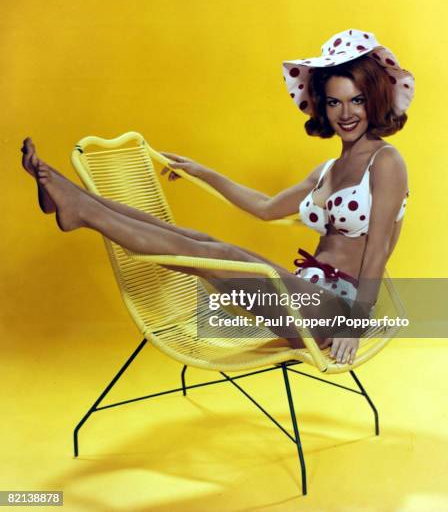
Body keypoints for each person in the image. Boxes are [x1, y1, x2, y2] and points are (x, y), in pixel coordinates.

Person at [21, 28, 414, 365]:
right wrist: (201, 171)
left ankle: (81, 210)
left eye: (356, 100)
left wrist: (355, 325)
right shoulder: (326, 171)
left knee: (218, 254)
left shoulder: (386, 162)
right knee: (204, 242)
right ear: (323, 107)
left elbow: (377, 250)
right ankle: (75, 200)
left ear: (374, 99)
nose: (346, 112)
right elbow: (264, 207)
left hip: (335, 311)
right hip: (304, 294)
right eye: (334, 101)